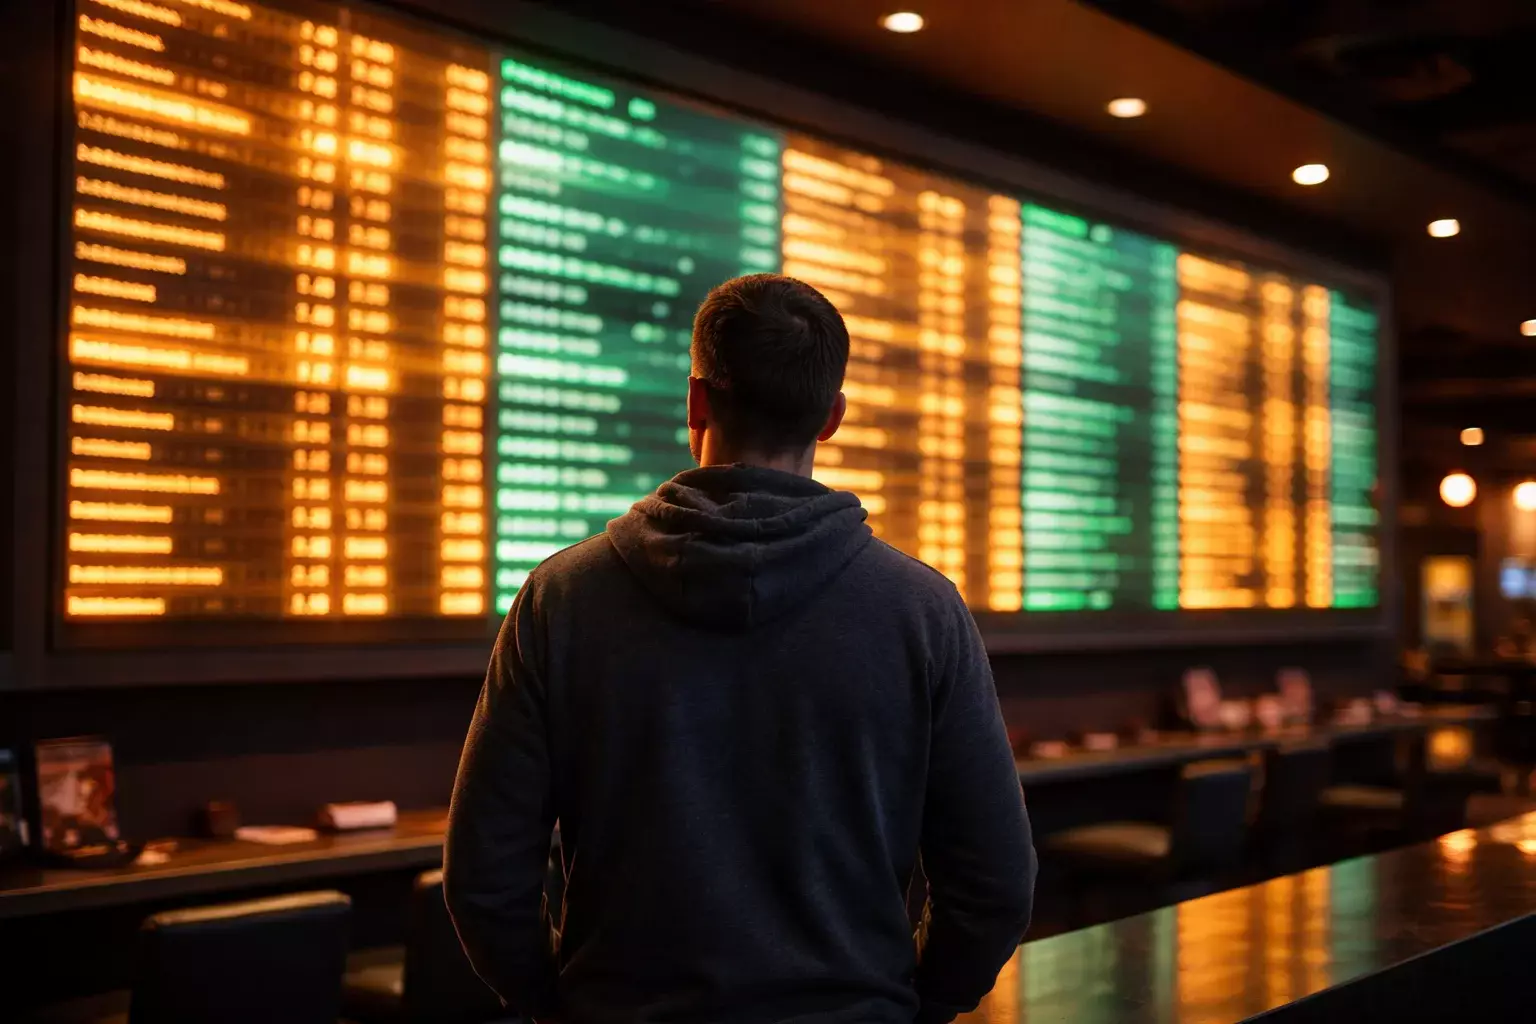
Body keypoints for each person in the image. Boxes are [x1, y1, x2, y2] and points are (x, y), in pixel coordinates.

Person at [445, 273, 1036, 1024]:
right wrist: (922, 1005)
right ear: (832, 417)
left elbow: (485, 878)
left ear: (695, 401)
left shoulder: (561, 599)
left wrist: (553, 1005)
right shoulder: (921, 611)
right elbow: (996, 884)